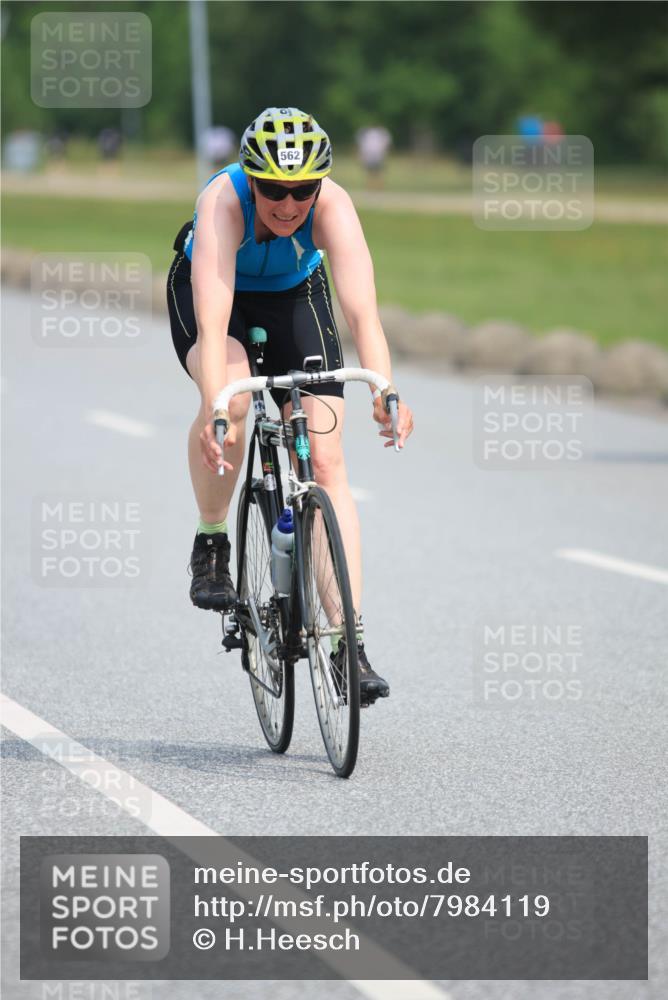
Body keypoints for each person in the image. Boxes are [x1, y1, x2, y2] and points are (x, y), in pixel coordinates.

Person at [167, 107, 414, 705]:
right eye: (274, 190)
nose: (288, 204)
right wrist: (216, 405)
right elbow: (213, 312)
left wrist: (386, 388)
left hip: (295, 297)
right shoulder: (223, 204)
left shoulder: (333, 207)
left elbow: (362, 312)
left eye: (302, 190)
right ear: (252, 180)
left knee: (326, 464)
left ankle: (346, 644)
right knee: (236, 404)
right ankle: (211, 540)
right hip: (217, 294)